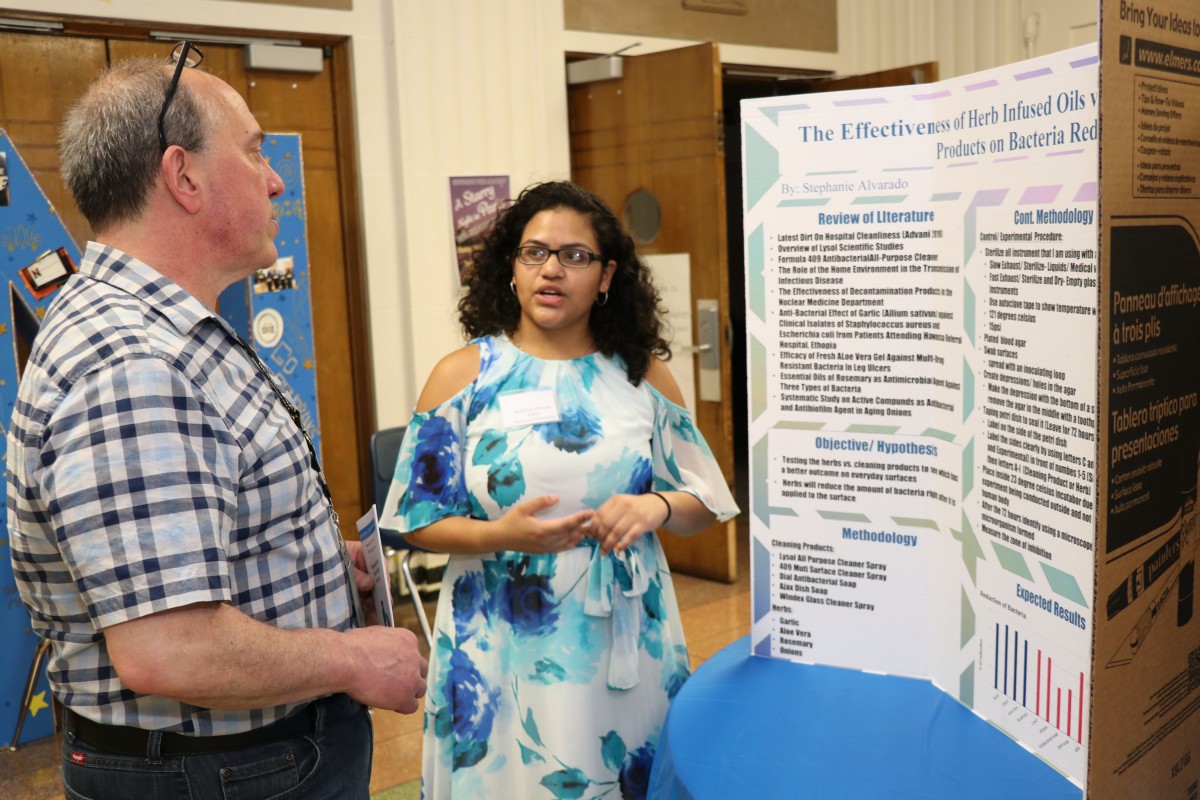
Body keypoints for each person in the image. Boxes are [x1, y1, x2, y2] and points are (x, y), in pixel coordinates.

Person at [5, 44, 426, 799]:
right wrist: (352, 658)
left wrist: (321, 564)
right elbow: (170, 649)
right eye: (255, 150)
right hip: (221, 774)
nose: (273, 178)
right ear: (184, 176)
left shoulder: (167, 332)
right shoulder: (132, 364)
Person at [380, 180, 739, 799]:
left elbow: (705, 499)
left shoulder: (641, 376)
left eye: (575, 256)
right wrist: (501, 534)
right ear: (510, 271)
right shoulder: (462, 376)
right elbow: (414, 518)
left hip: (622, 636)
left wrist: (655, 505)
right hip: (498, 639)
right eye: (534, 252)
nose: (551, 268)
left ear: (605, 277)